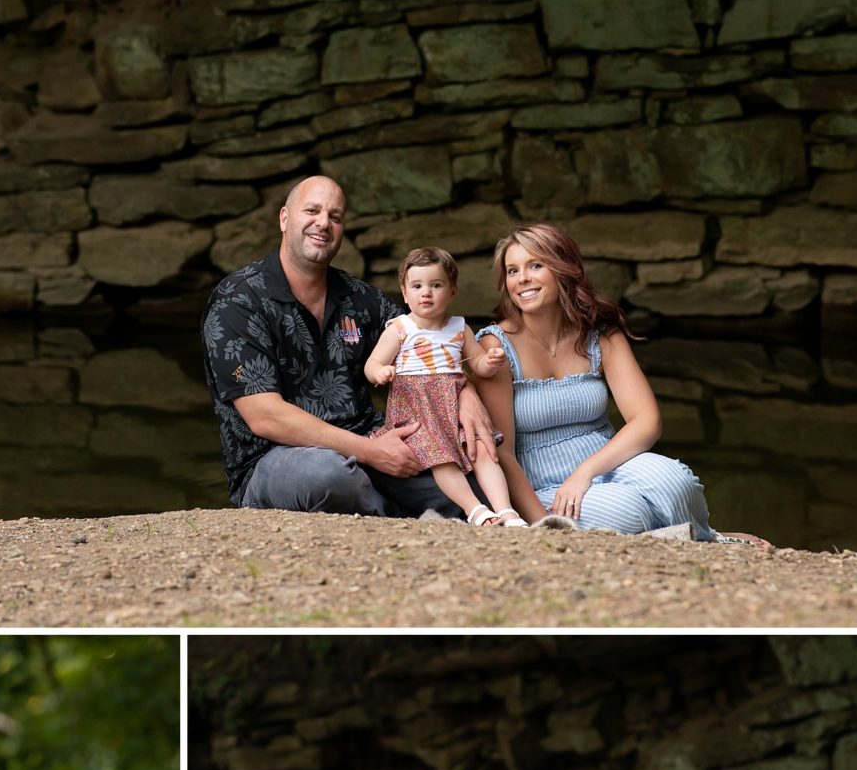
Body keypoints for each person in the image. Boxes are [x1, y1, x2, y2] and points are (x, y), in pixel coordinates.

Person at [199, 174, 497, 516]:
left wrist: (467, 394)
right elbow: (265, 417)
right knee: (328, 476)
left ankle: (406, 509)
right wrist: (371, 452)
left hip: (368, 441)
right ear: (284, 218)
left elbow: (429, 338)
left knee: (473, 478)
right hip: (275, 459)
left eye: (335, 217)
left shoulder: (359, 297)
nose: (323, 223)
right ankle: (404, 519)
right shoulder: (238, 300)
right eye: (311, 210)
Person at [474, 224, 765, 543]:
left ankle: (701, 537)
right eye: (512, 270)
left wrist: (585, 473)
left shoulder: (600, 335)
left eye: (535, 265)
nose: (522, 279)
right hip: (544, 485)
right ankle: (699, 540)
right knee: (628, 511)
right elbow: (503, 452)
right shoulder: (496, 347)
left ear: (562, 270)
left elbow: (646, 421)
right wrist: (544, 525)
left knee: (677, 480)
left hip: (609, 462)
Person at [364, 246, 523, 527]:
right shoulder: (400, 328)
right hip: (418, 408)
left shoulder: (459, 327)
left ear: (452, 292)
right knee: (442, 458)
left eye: (436, 285)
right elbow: (372, 363)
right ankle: (475, 509)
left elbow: (477, 365)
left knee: (484, 450)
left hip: (452, 403)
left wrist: (492, 360)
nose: (426, 292)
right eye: (417, 286)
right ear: (404, 293)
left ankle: (506, 510)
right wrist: (381, 371)